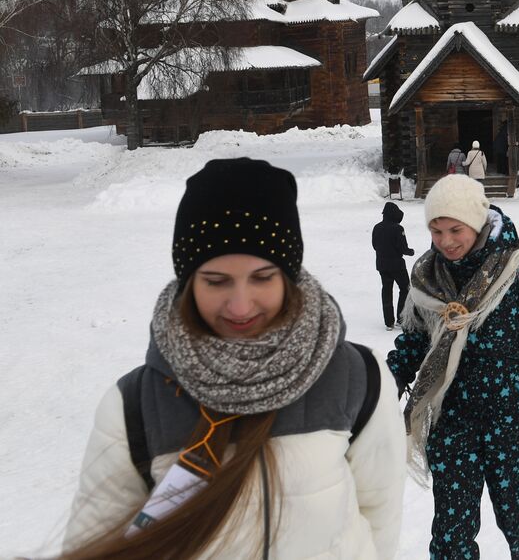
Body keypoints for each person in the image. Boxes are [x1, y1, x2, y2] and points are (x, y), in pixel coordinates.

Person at [64, 158, 406, 560]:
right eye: (216, 281)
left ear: (289, 276)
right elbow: (94, 545)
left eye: (262, 277)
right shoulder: (134, 407)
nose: (240, 306)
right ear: (188, 281)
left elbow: (379, 520)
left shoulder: (357, 380)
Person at [388, 174, 519, 557]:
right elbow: (415, 342)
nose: (446, 242)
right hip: (452, 420)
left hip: (516, 420)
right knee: (451, 538)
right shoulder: (428, 280)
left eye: (455, 229)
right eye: (436, 231)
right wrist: (385, 385)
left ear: (478, 222)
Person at [372, 201, 415, 330]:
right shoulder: (398, 228)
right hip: (397, 265)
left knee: (386, 290)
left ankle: (388, 321)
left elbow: (374, 245)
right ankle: (401, 318)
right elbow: (402, 248)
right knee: (405, 289)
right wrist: (410, 252)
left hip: (381, 264)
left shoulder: (377, 227)